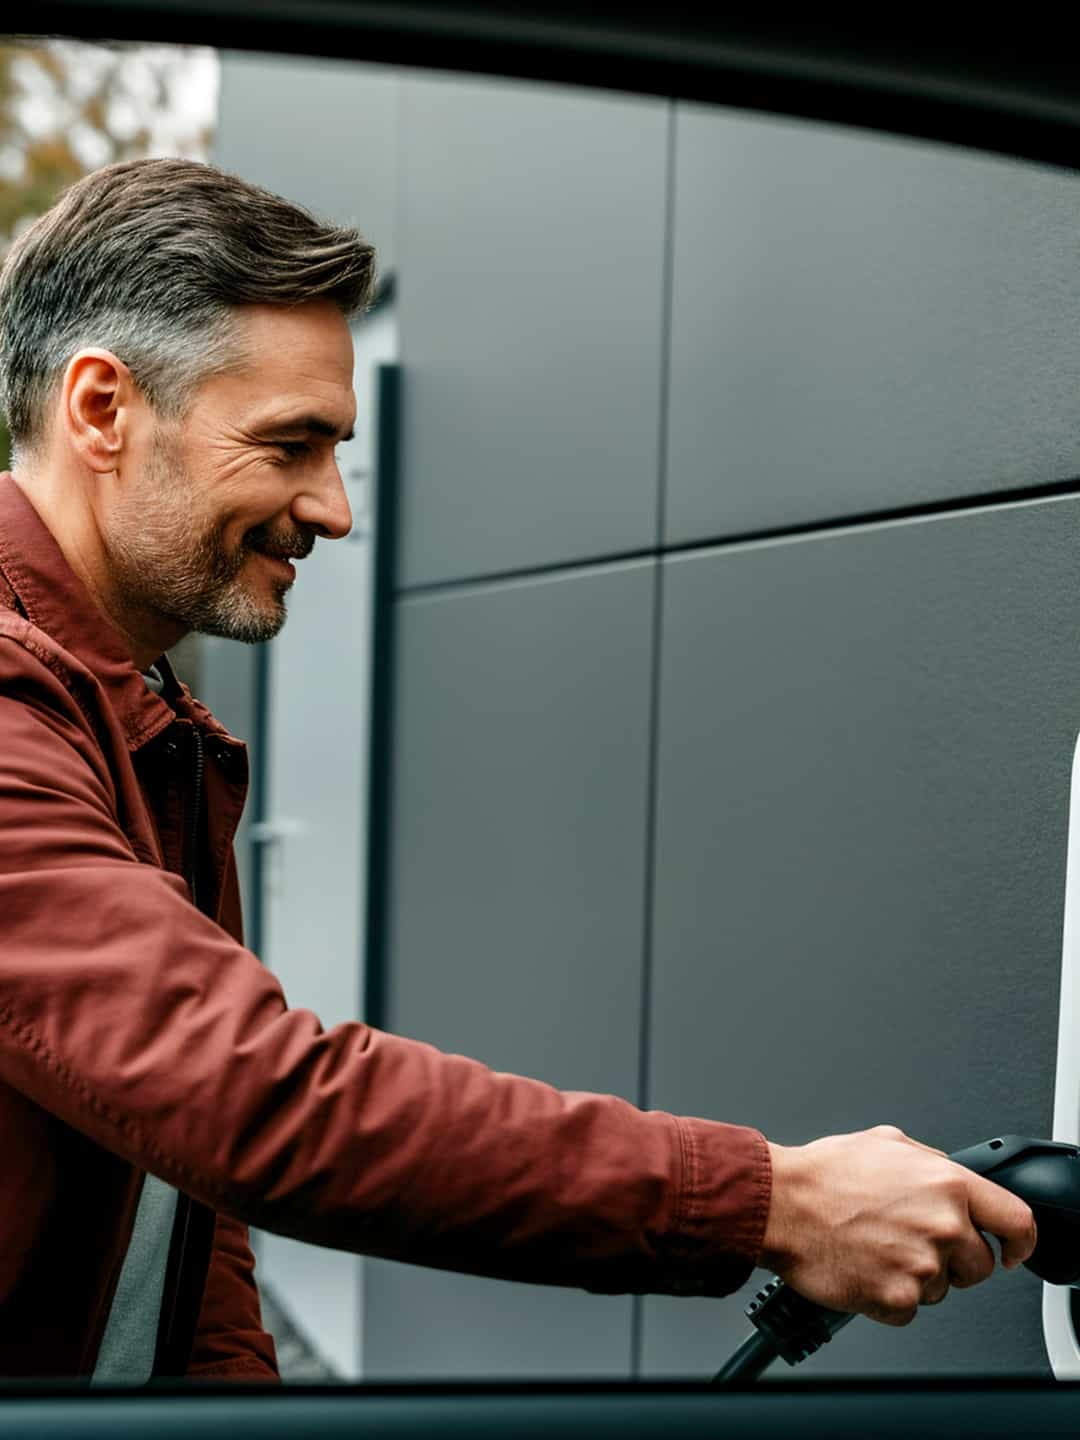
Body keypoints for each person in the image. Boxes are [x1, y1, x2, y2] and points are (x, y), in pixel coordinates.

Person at [0, 157, 1035, 1384]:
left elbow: (183, 1211)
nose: (333, 509)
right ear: (103, 410)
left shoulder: (135, 708)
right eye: (290, 444)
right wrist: (775, 1203)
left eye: (336, 449)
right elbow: (253, 1098)